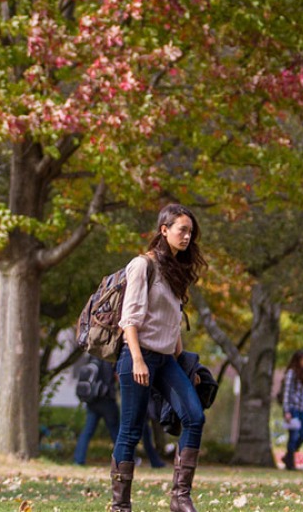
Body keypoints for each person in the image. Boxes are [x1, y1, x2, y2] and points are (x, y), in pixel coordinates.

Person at [111, 203, 207, 512]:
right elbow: (129, 319)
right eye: (182, 230)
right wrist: (137, 360)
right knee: (131, 431)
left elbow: (173, 324)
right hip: (138, 357)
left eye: (190, 232)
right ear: (164, 230)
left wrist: (185, 365)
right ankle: (120, 506)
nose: (187, 237)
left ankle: (180, 497)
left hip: (166, 361)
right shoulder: (143, 265)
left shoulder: (175, 270)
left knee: (194, 417)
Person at [73, 357, 165, 468]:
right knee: (116, 432)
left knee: (87, 431)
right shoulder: (109, 360)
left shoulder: (93, 358)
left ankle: (78, 459)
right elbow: (117, 377)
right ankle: (125, 458)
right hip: (107, 400)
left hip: (92, 401)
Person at [280, 351, 303, 470]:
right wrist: (286, 410)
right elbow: (287, 393)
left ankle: (289, 455)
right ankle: (290, 463)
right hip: (293, 408)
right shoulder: (291, 374)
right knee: (293, 436)